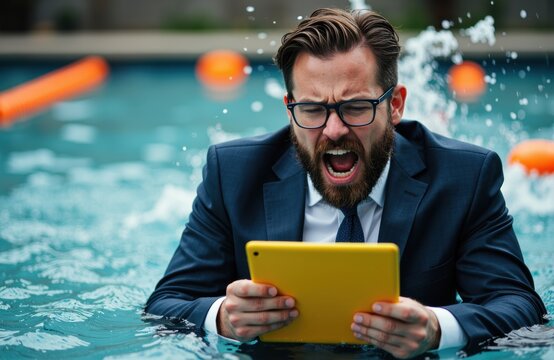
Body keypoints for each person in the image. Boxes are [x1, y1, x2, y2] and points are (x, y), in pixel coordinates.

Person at [145, 8, 546, 359]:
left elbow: (523, 309)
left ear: (395, 105)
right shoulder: (231, 173)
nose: (334, 130)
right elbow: (165, 306)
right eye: (313, 109)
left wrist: (437, 329)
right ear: (290, 110)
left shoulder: (465, 177)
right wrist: (222, 318)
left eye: (356, 107)